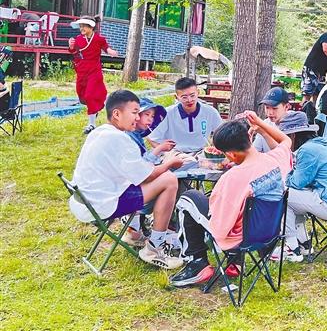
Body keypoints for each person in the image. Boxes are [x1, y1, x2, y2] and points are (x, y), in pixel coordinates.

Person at [169, 113, 293, 287]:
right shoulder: (274, 160)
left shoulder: (232, 178)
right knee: (242, 209)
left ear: (231, 154)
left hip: (239, 239)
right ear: (249, 139)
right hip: (270, 232)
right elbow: (286, 141)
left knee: (188, 198)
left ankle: (197, 262)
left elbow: (220, 224)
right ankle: (236, 263)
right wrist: (259, 123)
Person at [68, 90, 185, 269]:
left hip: (86, 201)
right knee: (169, 180)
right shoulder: (118, 138)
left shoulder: (100, 131)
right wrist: (169, 162)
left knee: (158, 178)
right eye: (135, 112)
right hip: (102, 205)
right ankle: (154, 248)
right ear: (117, 114)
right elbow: (146, 176)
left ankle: (135, 232)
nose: (137, 118)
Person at [271, 111, 327, 262]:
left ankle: (291, 248)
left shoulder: (307, 150)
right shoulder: (317, 146)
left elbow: (296, 182)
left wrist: (286, 174)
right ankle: (303, 243)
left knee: (282, 195)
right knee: (294, 202)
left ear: (293, 136)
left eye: (284, 138)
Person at [122, 98, 175, 246]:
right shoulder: (128, 137)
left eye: (152, 116)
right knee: (171, 182)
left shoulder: (135, 135)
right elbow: (141, 169)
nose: (151, 120)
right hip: (125, 194)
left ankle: (137, 226)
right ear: (136, 115)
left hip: (123, 188)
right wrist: (160, 150)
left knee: (169, 178)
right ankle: (156, 241)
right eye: (147, 115)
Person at [68, 15, 119, 135]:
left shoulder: (99, 39)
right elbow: (74, 52)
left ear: (91, 27)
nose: (81, 28)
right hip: (82, 70)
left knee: (90, 95)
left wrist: (111, 52)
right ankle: (94, 110)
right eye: (80, 26)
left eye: (84, 26)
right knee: (82, 94)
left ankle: (91, 124)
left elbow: (106, 48)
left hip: (94, 70)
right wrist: (71, 46)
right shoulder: (78, 39)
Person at [147, 77, 223, 153]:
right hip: (174, 153)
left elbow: (222, 135)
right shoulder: (166, 113)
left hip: (201, 153)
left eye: (192, 95)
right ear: (176, 97)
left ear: (198, 92)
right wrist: (167, 154)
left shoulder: (211, 112)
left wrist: (215, 150)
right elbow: (152, 139)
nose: (189, 100)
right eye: (184, 97)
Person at [251, 86, 293, 152]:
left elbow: (285, 154)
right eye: (267, 107)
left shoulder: (295, 124)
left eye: (274, 108)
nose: (270, 113)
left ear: (286, 107)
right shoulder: (265, 123)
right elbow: (255, 151)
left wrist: (264, 133)